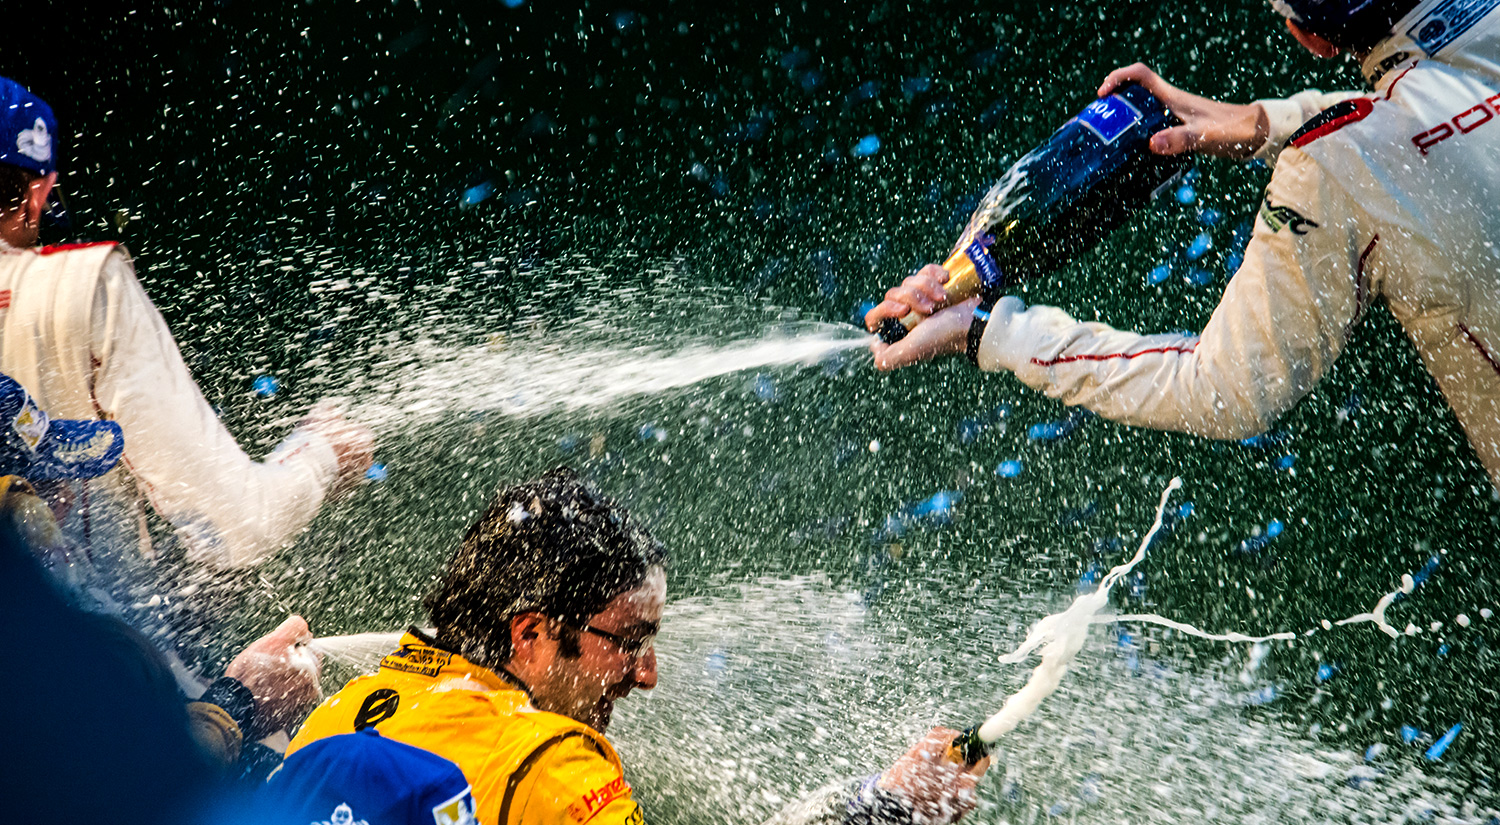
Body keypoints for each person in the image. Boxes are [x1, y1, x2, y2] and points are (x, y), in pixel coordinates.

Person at [865, 0, 1500, 490]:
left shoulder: (1340, 166)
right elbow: (1430, 103)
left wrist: (987, 332)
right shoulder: (1352, 142)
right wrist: (1265, 121)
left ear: (1310, 37)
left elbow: (1226, 390)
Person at [289, 467, 988, 825]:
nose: (646, 674)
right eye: (627, 641)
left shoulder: (337, 716)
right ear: (530, 632)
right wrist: (886, 809)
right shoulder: (549, 764)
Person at [0, 74, 374, 569]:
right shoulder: (84, 285)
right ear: (39, 191)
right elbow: (238, 525)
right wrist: (324, 454)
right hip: (68, 642)